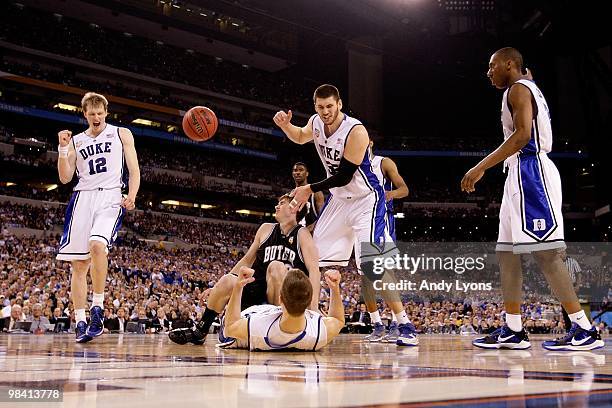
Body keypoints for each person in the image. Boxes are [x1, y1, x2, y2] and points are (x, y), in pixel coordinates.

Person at [462, 47, 603, 351]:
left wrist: (479, 167)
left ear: (509, 64)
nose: (488, 72)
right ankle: (513, 329)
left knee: (546, 253)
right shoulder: (525, 86)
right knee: (507, 255)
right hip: (518, 173)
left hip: (531, 172)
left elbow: (523, 135)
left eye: (492, 66)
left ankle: (584, 328)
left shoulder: (517, 89)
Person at [274, 84, 417, 346]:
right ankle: (308, 315)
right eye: (320, 107)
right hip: (340, 200)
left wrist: (309, 188)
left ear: (339, 104)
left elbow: (344, 175)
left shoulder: (356, 131)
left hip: (365, 200)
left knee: (372, 266)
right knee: (312, 256)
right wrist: (286, 126)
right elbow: (300, 136)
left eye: (330, 106)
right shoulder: (316, 122)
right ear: (315, 106)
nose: (325, 111)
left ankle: (404, 322)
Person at [168, 194, 321, 345]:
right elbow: (247, 260)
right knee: (229, 279)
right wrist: (217, 287)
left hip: (283, 297)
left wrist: (313, 307)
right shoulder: (266, 229)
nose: (276, 206)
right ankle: (201, 330)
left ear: (294, 208)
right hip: (256, 289)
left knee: (276, 267)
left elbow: (314, 270)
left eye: (282, 203)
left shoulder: (302, 234)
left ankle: (278, 328)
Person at [56, 92, 140, 343]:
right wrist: (62, 149)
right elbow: (64, 177)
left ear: (106, 113)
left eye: (99, 113)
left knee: (97, 245)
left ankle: (98, 307)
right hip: (82, 198)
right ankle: (80, 321)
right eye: (91, 113)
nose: (96, 117)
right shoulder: (76, 141)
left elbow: (134, 170)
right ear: (85, 114)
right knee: (79, 266)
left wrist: (132, 194)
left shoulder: (121, 133)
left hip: (110, 196)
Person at [220, 267, 344, 351]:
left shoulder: (258, 326)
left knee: (228, 281)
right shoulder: (318, 334)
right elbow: (338, 320)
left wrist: (238, 286)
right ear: (309, 301)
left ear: (280, 299)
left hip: (240, 329)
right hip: (263, 320)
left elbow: (229, 328)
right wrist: (334, 288)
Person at [364, 141, 410, 342]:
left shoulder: (383, 162)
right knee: (366, 277)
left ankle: (396, 323)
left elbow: (404, 189)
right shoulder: (352, 166)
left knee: (385, 273)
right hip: (362, 222)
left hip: (382, 221)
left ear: (371, 143)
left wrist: (389, 194)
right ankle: (376, 324)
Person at [291, 162, 325, 231]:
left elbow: (323, 216)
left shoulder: (315, 192)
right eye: (295, 170)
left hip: (312, 234)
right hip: (295, 235)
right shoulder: (291, 194)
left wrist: (312, 226)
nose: (297, 172)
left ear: (307, 174)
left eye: (301, 170)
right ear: (292, 174)